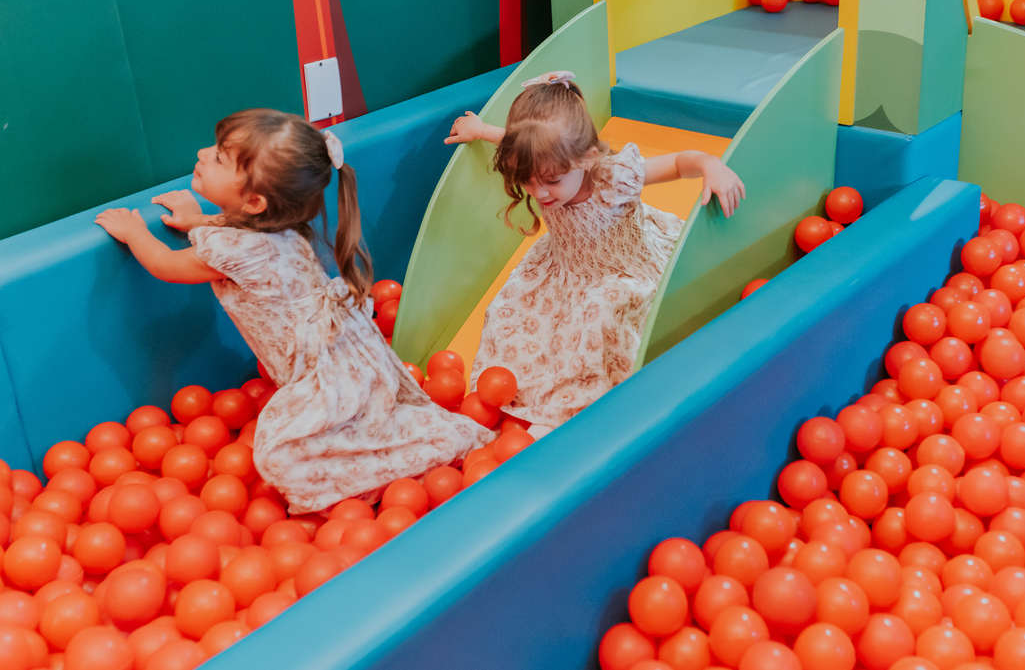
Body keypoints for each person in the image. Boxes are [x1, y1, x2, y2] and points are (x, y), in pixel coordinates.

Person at [96, 109, 490, 513]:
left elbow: (165, 265)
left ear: (254, 200)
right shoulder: (281, 222)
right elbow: (238, 231)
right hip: (345, 353)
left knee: (280, 456)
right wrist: (197, 220)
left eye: (217, 158)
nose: (201, 154)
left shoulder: (237, 249)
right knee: (368, 422)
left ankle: (397, 468)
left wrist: (134, 231)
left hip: (323, 371)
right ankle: (421, 447)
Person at [445, 70, 746, 436]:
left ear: (587, 159)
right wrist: (481, 130)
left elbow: (679, 162)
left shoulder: (613, 176)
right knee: (504, 311)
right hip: (565, 269)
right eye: (527, 181)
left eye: (552, 181)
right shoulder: (540, 157)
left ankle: (571, 409)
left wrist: (710, 165)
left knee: (599, 315)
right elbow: (514, 140)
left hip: (622, 273)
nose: (539, 194)